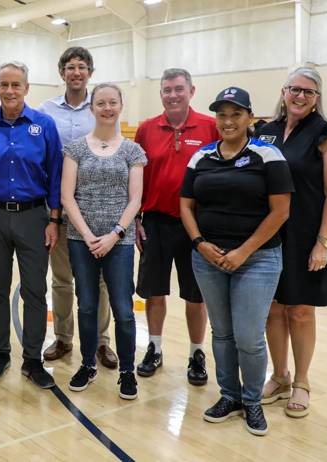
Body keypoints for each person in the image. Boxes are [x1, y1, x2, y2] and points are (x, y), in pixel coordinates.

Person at [181, 87, 293, 436]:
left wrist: (243, 251)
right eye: (221, 115)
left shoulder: (268, 155)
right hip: (208, 259)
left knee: (249, 336)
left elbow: (281, 211)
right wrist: (200, 244)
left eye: (235, 114)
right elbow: (186, 205)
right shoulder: (201, 157)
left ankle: (252, 401)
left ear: (249, 117)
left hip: (257, 259)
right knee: (223, 334)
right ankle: (229, 396)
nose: (227, 121)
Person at [0, 61, 62, 389]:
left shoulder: (44, 125)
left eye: (16, 85)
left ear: (26, 88)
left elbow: (56, 174)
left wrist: (54, 219)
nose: (10, 91)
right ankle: (1, 352)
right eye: (4, 85)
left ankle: (33, 360)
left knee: (35, 290)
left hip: (34, 216)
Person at [258, 67, 327, 418]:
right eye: (295, 89)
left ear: (316, 99)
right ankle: (279, 377)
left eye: (309, 92)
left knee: (300, 310)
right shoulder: (265, 133)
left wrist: (323, 242)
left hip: (308, 235)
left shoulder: (326, 133)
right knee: (273, 309)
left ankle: (302, 382)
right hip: (269, 233)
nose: (300, 96)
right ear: (283, 92)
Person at [61, 83, 146, 398]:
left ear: (120, 106)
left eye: (112, 102)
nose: (107, 108)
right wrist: (87, 235)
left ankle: (127, 371)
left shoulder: (132, 150)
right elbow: (67, 196)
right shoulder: (75, 148)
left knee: (123, 309)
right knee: (86, 306)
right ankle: (87, 364)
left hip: (118, 243)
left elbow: (135, 199)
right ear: (91, 107)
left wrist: (114, 235)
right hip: (80, 239)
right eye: (101, 103)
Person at [134, 68, 218, 385]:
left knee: (196, 296)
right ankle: (154, 348)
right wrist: (138, 218)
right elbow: (137, 177)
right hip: (154, 222)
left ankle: (197, 353)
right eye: (166, 89)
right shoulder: (145, 129)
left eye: (178, 89)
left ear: (191, 91)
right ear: (161, 93)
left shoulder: (210, 127)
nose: (172, 95)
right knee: (154, 292)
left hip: (196, 225)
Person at [38, 46, 118, 368]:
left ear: (90, 73)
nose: (76, 72)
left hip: (95, 207)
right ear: (62, 73)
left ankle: (101, 341)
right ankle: (62, 337)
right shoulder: (45, 110)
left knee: (99, 281)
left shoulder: (100, 107)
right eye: (70, 67)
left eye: (82, 67)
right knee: (61, 279)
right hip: (57, 208)